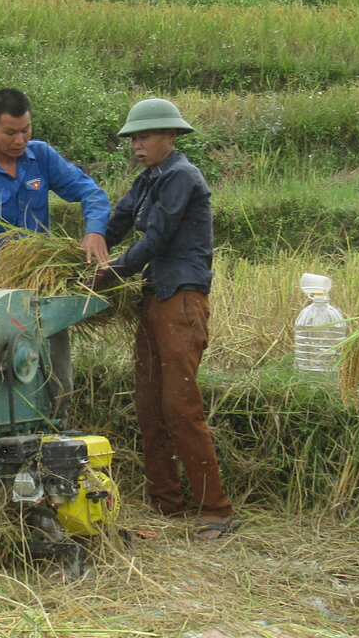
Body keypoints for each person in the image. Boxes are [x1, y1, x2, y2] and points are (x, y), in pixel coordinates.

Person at [92, 98, 236, 542]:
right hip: (155, 297)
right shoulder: (148, 179)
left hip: (182, 300)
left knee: (181, 407)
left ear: (170, 137)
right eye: (133, 138)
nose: (137, 144)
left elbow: (157, 238)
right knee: (150, 404)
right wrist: (92, 243)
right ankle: (165, 503)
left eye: (146, 136)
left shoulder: (181, 176)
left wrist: (112, 272)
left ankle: (217, 510)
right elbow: (117, 221)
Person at [0, 87, 111, 285]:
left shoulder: (42, 156)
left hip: (44, 282)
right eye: (10, 132)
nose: (20, 141)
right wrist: (12, 270)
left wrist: (95, 232)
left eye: (25, 130)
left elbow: (90, 192)